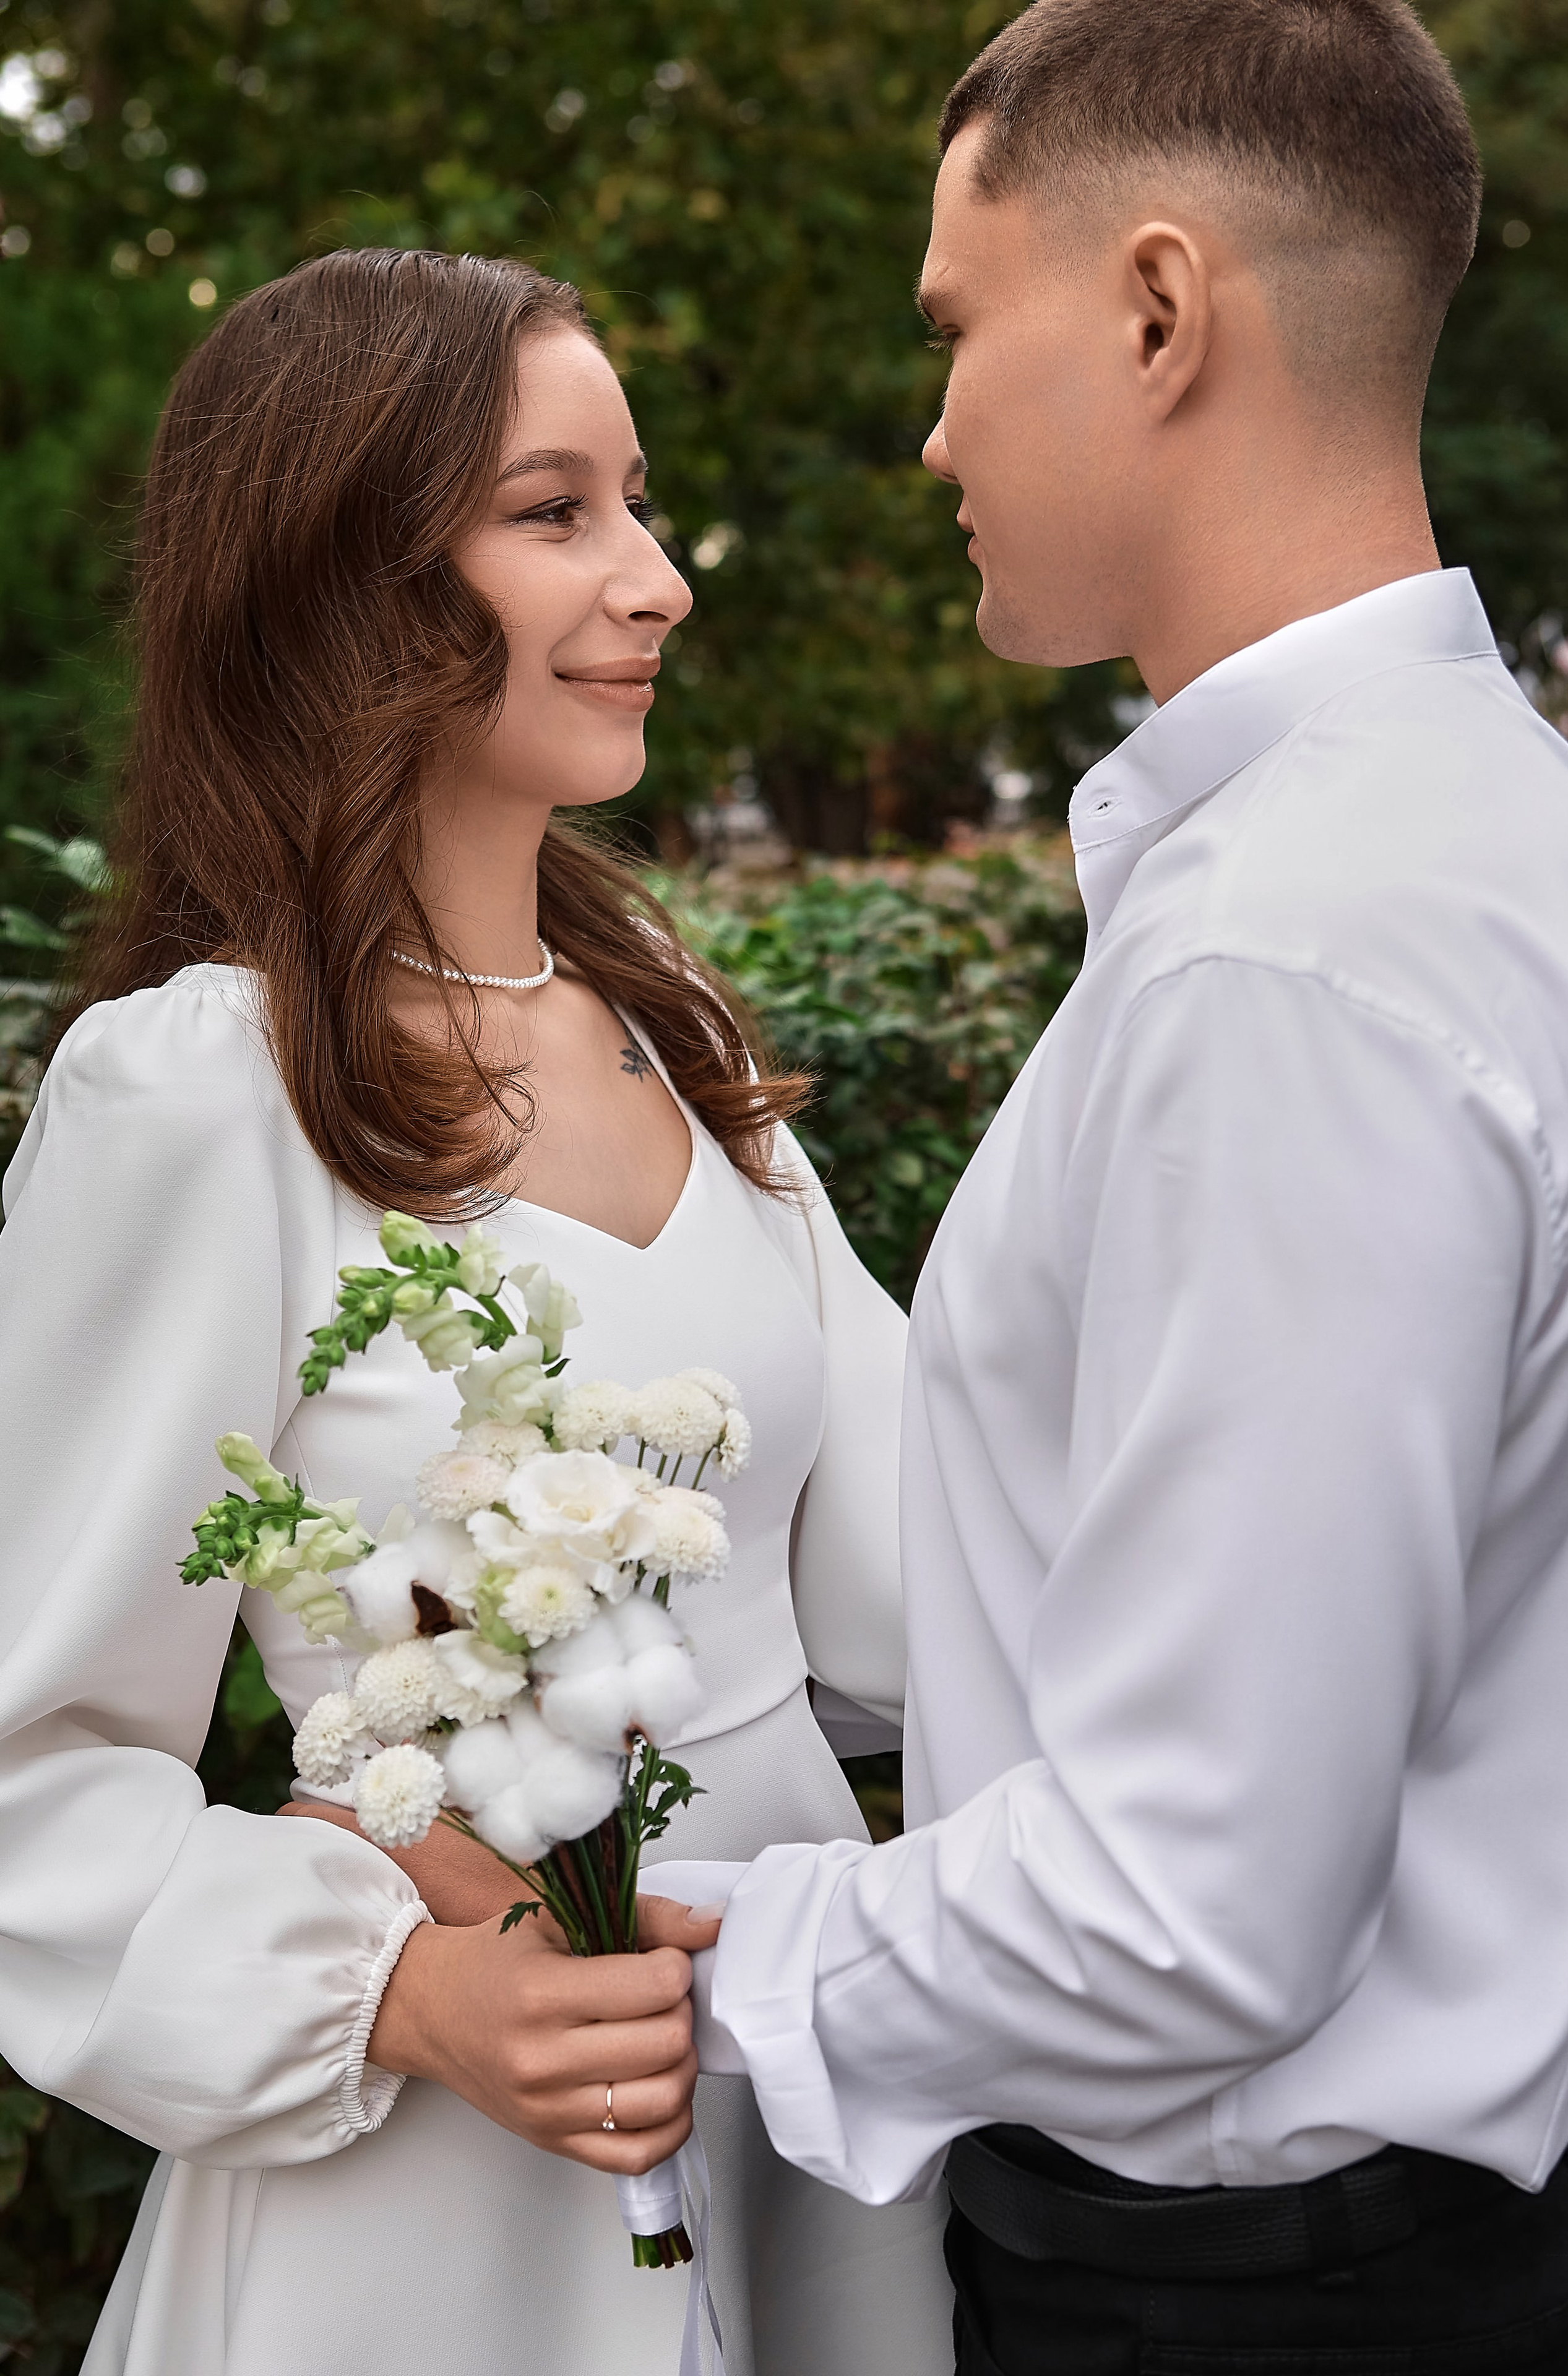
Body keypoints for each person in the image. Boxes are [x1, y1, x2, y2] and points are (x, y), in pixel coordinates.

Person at [688, 3, 1568, 2369]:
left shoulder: (1295, 955)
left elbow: (1191, 1902)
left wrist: (669, 1959)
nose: (935, 426)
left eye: (963, 328)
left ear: (1164, 311)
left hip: (1270, 2303)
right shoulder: (1497, 844)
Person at [0, 249, 953, 2376]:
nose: (659, 580)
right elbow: (27, 1761)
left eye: (641, 503)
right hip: (427, 2216)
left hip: (796, 2104)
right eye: (559, 513)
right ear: (345, 574)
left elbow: (930, 1583)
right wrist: (406, 1998)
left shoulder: (675, 1030)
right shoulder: (195, 1090)